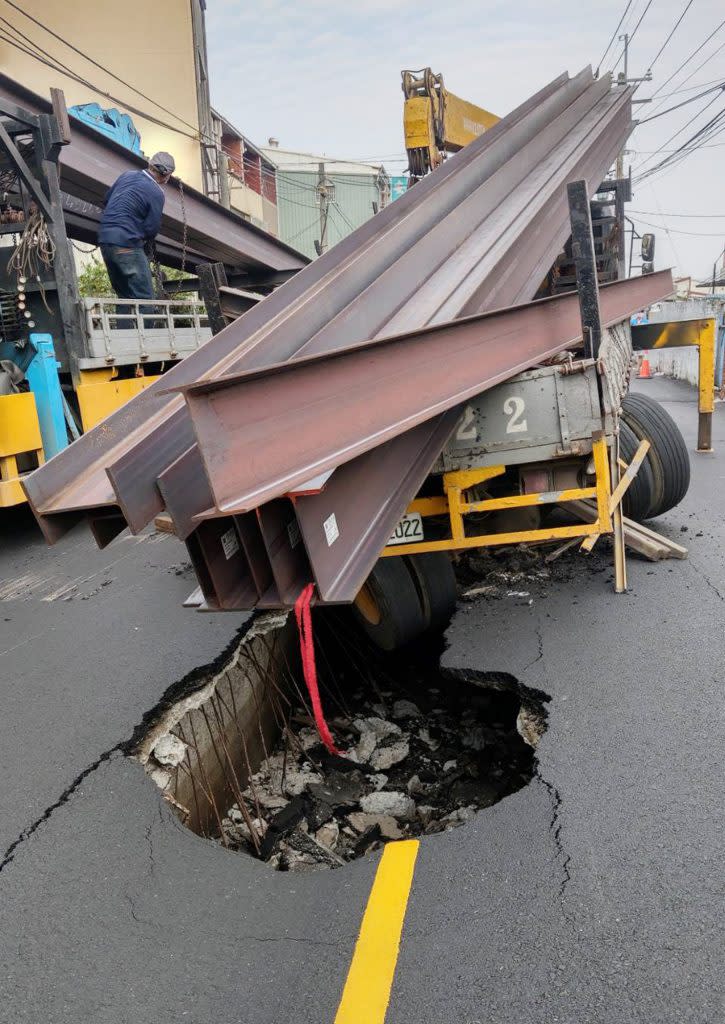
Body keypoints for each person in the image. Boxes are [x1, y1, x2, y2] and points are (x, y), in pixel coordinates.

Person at [98, 152, 175, 301]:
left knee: (125, 297)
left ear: (149, 164)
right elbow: (151, 229)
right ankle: (146, 324)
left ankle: (124, 324)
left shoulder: (127, 175)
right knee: (145, 299)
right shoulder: (156, 193)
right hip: (127, 244)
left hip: (105, 241)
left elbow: (106, 199)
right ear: (167, 175)